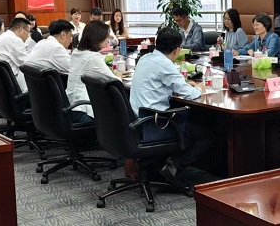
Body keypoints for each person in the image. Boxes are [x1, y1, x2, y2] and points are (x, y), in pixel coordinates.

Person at [130, 27, 213, 188]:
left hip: (137, 121)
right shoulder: (164, 64)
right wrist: (199, 88)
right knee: (207, 134)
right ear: (177, 50)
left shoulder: (145, 58)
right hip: (155, 124)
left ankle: (157, 165)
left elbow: (163, 82)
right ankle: (173, 166)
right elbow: (190, 94)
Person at [66, 21, 117, 123]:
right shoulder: (93, 57)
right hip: (83, 112)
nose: (108, 40)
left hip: (71, 107)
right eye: (106, 37)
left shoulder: (77, 52)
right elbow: (115, 81)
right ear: (98, 37)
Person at [0, 17, 31, 92]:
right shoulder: (15, 40)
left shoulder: (3, 36)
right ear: (21, 29)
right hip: (9, 84)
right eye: (28, 32)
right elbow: (27, 64)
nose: (28, 35)